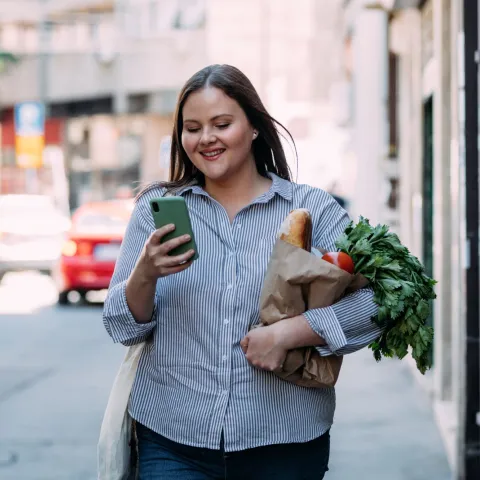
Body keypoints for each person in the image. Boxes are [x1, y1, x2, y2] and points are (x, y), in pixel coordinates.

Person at [103, 64, 381, 480]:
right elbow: (121, 326)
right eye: (192, 127)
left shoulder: (312, 210)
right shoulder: (157, 212)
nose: (206, 138)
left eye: (222, 123)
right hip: (172, 439)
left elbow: (378, 302)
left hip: (284, 440)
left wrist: (290, 333)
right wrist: (144, 273)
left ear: (253, 127)